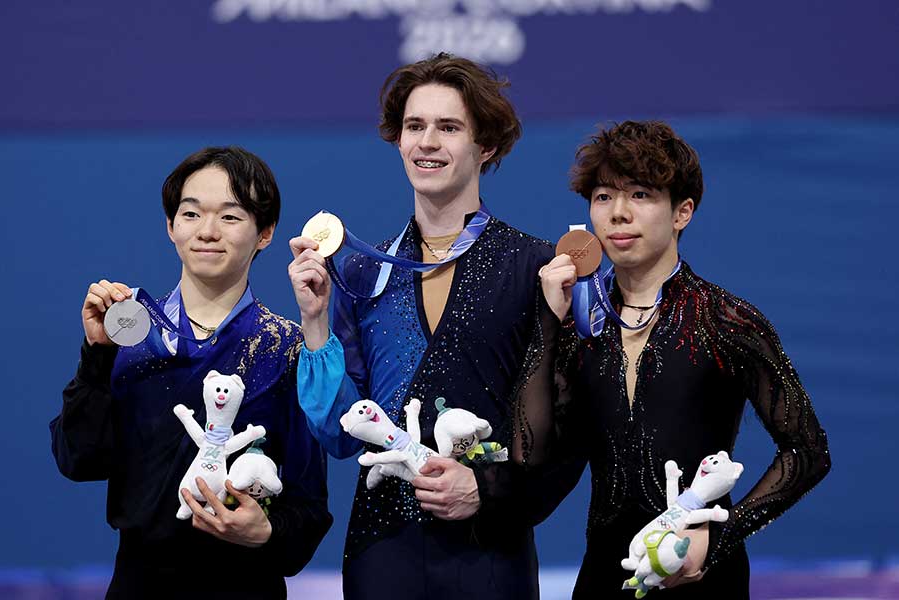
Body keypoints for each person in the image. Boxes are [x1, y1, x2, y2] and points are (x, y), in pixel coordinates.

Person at [522, 120, 831, 598]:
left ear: (682, 211)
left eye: (640, 195)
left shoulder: (727, 320)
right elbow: (530, 453)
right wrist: (546, 320)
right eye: (603, 197)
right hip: (605, 576)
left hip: (706, 577)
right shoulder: (577, 325)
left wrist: (721, 538)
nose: (618, 214)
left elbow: (808, 453)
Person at [288, 53, 553, 599]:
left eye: (449, 127)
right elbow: (342, 435)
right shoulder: (363, 270)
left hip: (490, 550)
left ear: (487, 146)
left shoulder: (534, 267)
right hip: (383, 550)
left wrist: (486, 489)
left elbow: (556, 430)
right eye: (415, 126)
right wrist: (315, 326)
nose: (427, 141)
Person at [50, 147, 332, 599]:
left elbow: (308, 505)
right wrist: (96, 356)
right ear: (170, 227)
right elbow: (79, 459)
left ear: (265, 233)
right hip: (140, 583)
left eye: (230, 217)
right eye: (191, 213)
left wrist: (266, 532)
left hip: (245, 584)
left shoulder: (287, 346)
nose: (207, 231)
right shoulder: (128, 334)